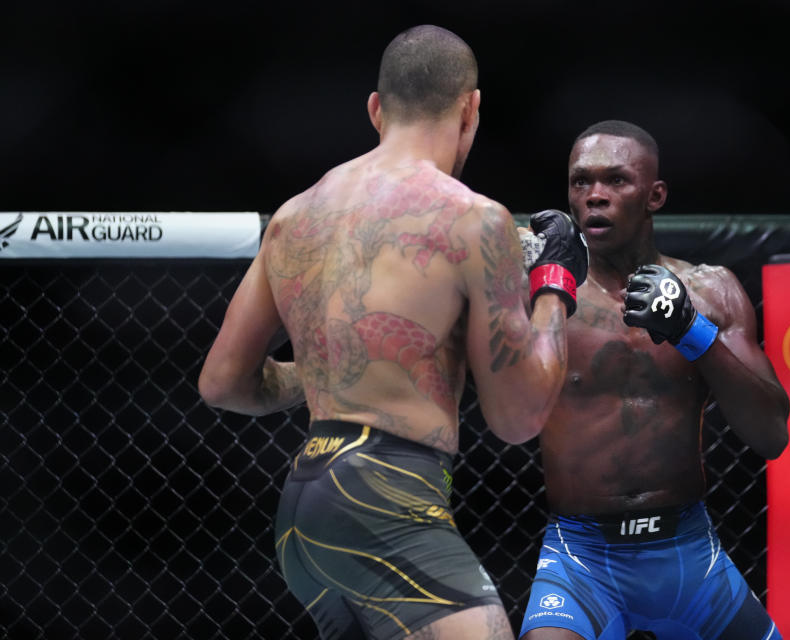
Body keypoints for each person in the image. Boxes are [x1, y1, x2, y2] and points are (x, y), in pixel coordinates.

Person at [198, 25, 587, 640]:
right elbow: (519, 417)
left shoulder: (295, 216)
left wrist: (335, 365)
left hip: (303, 509)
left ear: (376, 109)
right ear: (471, 109)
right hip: (387, 495)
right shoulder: (472, 219)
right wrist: (555, 287)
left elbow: (222, 381)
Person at [518, 120, 790, 640]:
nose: (595, 196)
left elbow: (772, 434)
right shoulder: (546, 299)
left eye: (616, 180)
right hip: (581, 559)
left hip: (688, 554)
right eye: (581, 182)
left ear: (655, 195)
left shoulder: (711, 291)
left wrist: (694, 332)